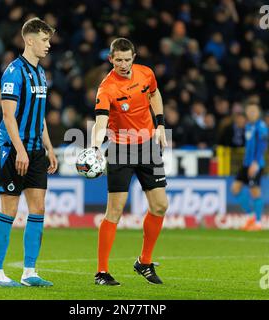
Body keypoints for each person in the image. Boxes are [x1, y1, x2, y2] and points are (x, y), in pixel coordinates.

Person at [91, 38, 169, 286]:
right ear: (110, 59)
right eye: (119, 60)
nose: (123, 64)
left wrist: (160, 124)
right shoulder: (107, 88)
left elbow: (155, 95)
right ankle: (102, 272)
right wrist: (94, 147)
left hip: (147, 147)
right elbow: (100, 122)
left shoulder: (146, 74)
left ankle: (144, 263)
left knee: (160, 206)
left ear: (134, 56)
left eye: (127, 59)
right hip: (120, 150)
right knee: (115, 211)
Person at [0, 18, 58, 287]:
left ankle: (29, 272)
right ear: (29, 40)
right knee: (9, 209)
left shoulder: (41, 73)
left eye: (49, 40)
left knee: (38, 208)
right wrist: (20, 150)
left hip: (36, 152)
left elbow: (38, 118)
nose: (48, 45)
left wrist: (49, 148)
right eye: (44, 40)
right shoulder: (13, 72)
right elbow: (8, 116)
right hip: (12, 150)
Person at [231, 103, 268, 231]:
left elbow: (262, 145)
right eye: (250, 110)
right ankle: (250, 216)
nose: (252, 112)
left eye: (254, 110)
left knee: (255, 192)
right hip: (246, 164)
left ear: (258, 113)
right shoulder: (248, 126)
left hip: (255, 165)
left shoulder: (261, 126)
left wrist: (256, 163)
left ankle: (258, 223)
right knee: (235, 188)